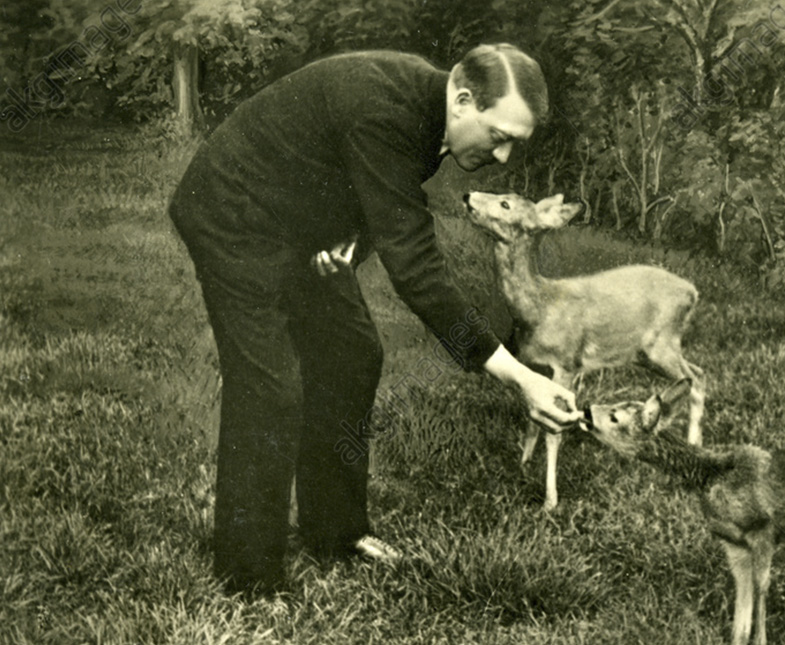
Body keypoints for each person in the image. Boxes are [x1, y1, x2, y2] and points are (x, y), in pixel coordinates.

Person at [168, 43, 582, 596]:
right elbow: (417, 271)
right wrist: (519, 376)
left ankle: (336, 532)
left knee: (353, 354)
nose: (504, 158)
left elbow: (368, 186)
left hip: (294, 223)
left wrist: (349, 236)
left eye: (515, 144)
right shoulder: (388, 110)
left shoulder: (432, 114)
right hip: (230, 215)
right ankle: (248, 575)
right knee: (270, 387)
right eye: (499, 136)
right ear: (462, 99)